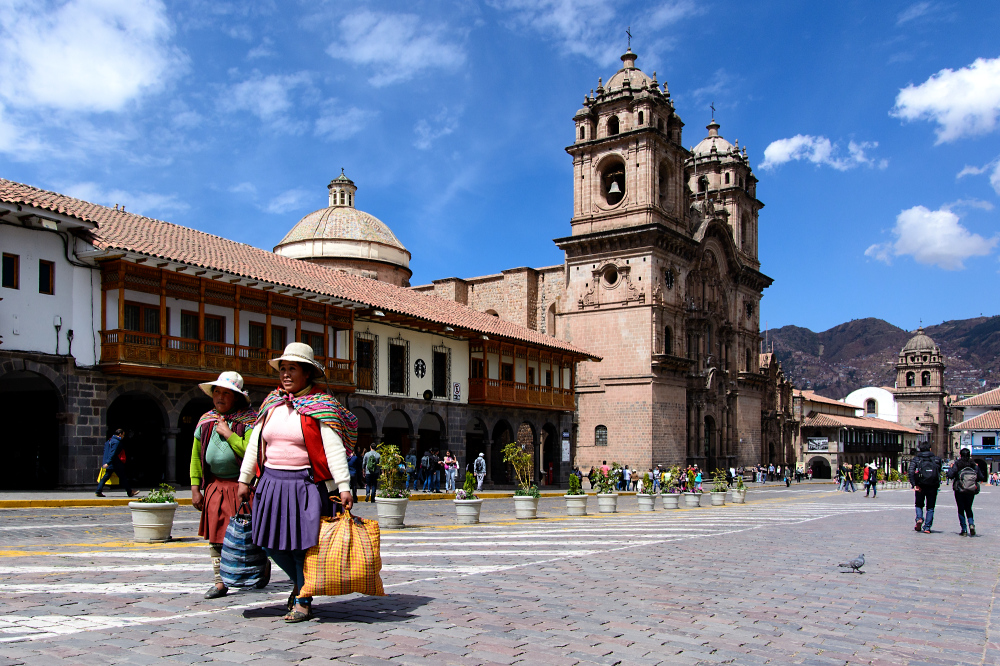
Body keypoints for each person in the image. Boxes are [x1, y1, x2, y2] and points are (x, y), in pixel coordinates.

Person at [236, 342, 356, 623]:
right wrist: (244, 479)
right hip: (270, 485)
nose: (286, 374)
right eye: (283, 369)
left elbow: (334, 448)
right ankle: (302, 585)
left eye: (292, 369)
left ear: (307, 374)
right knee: (269, 543)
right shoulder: (272, 403)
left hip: (305, 486)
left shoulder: (321, 406)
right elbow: (255, 443)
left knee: (303, 546)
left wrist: (345, 486)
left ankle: (302, 598)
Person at [189, 371, 262, 599]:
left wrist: (229, 434)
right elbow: (195, 458)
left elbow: (253, 453)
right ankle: (219, 581)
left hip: (240, 488)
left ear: (237, 398)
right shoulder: (205, 422)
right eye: (216, 392)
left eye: (226, 393)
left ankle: (258, 569)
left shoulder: (250, 423)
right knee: (216, 536)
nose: (220, 397)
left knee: (246, 535)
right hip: (214, 488)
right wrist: (195, 488)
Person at [947, 448, 985, 536]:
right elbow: (981, 477)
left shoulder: (958, 463)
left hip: (959, 489)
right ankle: (971, 524)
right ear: (969, 455)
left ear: (960, 455)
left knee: (961, 509)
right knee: (968, 508)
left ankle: (964, 529)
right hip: (971, 490)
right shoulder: (973, 464)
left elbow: (950, 475)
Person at [908, 441, 943, 534]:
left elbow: (910, 472)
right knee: (930, 507)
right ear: (930, 449)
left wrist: (914, 484)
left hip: (920, 485)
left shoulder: (916, 459)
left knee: (919, 504)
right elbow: (939, 471)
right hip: (933, 486)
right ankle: (927, 527)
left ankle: (919, 518)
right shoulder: (937, 459)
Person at [95, 428, 137, 497]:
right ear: (120, 434)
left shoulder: (109, 441)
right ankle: (129, 492)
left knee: (106, 477)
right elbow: (113, 453)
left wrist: (106, 462)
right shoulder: (117, 442)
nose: (123, 437)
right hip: (114, 463)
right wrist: (108, 462)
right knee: (122, 477)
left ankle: (98, 491)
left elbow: (106, 452)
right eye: (123, 435)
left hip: (110, 462)